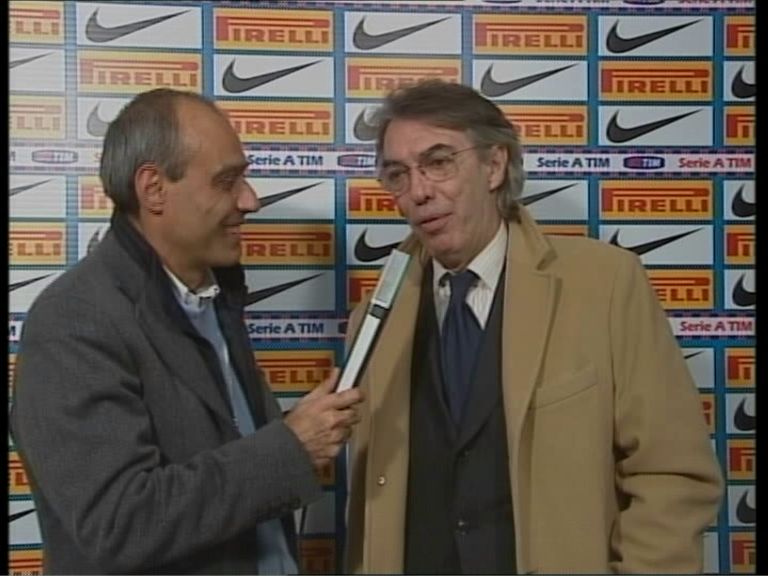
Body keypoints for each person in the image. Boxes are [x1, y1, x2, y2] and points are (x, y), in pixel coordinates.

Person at [344, 79, 723, 574]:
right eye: (398, 174)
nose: (418, 192)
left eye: (438, 163)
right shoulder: (373, 321)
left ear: (494, 165)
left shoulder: (605, 284)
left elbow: (671, 473)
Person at [10, 88, 363, 575]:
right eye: (226, 181)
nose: (250, 200)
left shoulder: (214, 297)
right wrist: (291, 447)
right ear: (153, 189)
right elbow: (120, 523)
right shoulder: (74, 322)